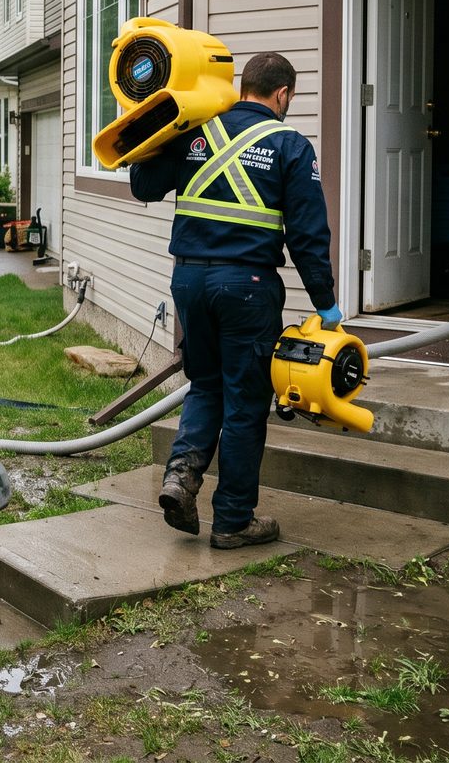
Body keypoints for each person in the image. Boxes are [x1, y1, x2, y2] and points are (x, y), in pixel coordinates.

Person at [129, 52, 338, 550]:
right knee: (245, 402)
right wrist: (326, 303)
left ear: (243, 86)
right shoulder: (289, 145)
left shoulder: (194, 132)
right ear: (282, 94)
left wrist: (147, 125)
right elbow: (308, 235)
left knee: (206, 385)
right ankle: (233, 521)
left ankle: (181, 476)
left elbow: (143, 186)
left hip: (189, 283)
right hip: (246, 287)